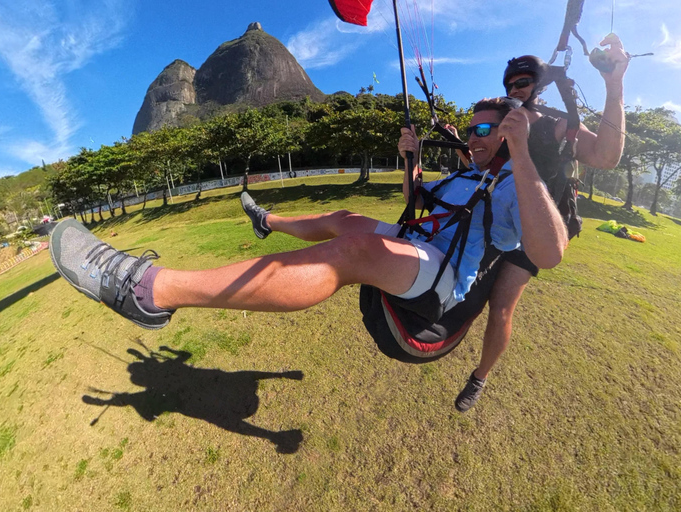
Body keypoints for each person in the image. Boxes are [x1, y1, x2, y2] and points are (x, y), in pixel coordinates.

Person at [49, 99, 568, 401]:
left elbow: (548, 252)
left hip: (443, 279)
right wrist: (410, 162)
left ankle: (150, 289)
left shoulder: (510, 185)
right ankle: (268, 221)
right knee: (345, 219)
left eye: (485, 128)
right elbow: (417, 206)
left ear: (507, 133)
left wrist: (522, 154)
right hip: (417, 243)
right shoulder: (467, 173)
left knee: (353, 249)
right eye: (473, 127)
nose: (473, 136)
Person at [452, 34, 628, 412]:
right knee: (466, 286)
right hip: (497, 216)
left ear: (539, 83)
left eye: (523, 82)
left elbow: (606, 156)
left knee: (500, 307)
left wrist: (614, 86)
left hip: (538, 225)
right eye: (510, 84)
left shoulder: (556, 124)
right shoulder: (502, 120)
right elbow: (483, 164)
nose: (515, 89)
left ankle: (479, 377)